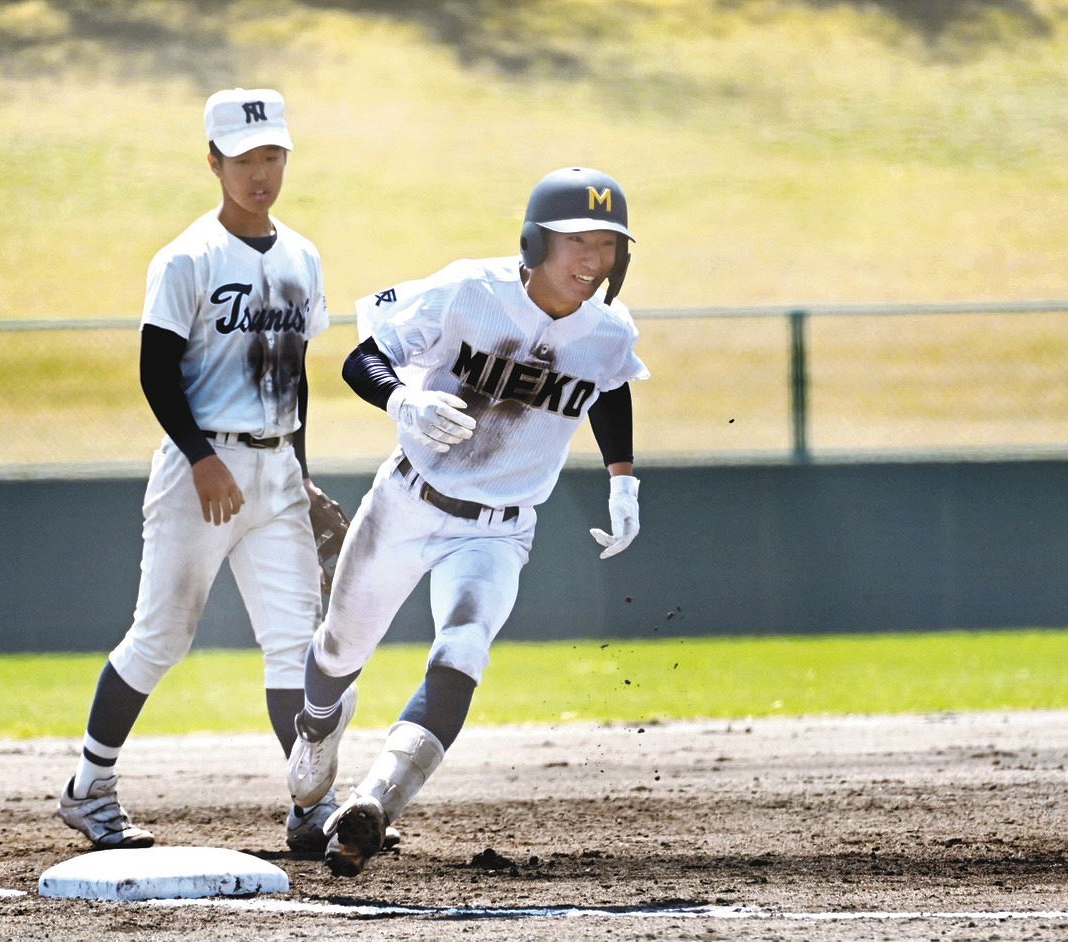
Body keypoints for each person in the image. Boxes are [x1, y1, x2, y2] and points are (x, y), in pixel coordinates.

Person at [286, 166, 649, 877]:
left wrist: (623, 479)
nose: (593, 259)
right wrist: (403, 402)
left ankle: (374, 804)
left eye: (607, 244)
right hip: (408, 500)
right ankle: (318, 730)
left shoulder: (608, 330)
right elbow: (364, 357)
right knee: (338, 649)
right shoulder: (467, 290)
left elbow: (608, 386)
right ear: (535, 241)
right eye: (577, 240)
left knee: (464, 646)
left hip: (498, 530)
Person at [56, 87, 346, 854]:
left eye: (273, 156)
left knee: (295, 644)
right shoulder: (187, 258)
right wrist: (201, 457)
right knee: (161, 635)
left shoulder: (302, 256)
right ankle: (89, 788)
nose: (261, 173)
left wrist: (302, 474)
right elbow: (155, 372)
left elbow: (294, 376)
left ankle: (311, 804)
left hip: (277, 472)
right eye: (245, 158)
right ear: (213, 162)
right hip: (201, 472)